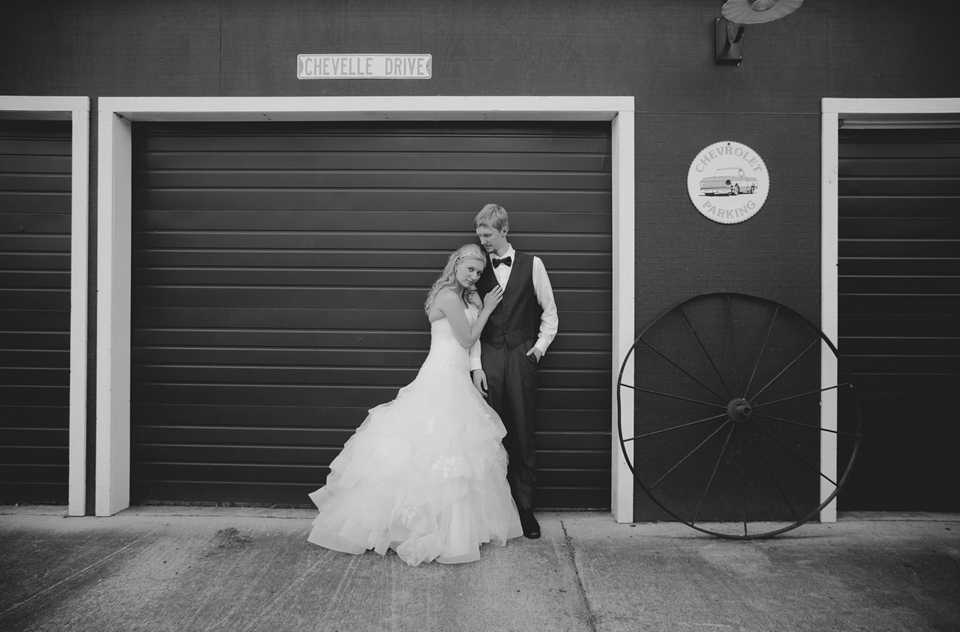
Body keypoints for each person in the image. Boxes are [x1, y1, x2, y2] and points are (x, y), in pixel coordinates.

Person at [307, 243, 523, 566]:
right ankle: (416, 525)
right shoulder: (448, 296)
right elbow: (465, 338)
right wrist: (488, 309)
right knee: (431, 444)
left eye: (479, 272)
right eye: (470, 269)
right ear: (457, 264)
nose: (475, 276)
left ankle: (455, 527)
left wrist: (476, 364)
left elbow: (471, 344)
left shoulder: (465, 297)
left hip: (458, 376)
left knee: (456, 448)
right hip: (440, 375)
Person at [470, 204, 558, 540]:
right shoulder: (477, 267)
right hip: (489, 358)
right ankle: (489, 511)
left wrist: (537, 350)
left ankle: (524, 510)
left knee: (522, 434)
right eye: (479, 235)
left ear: (504, 230)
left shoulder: (532, 265)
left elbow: (550, 312)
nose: (483, 241)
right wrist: (476, 366)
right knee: (489, 436)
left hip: (521, 358)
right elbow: (471, 320)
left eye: (488, 235)